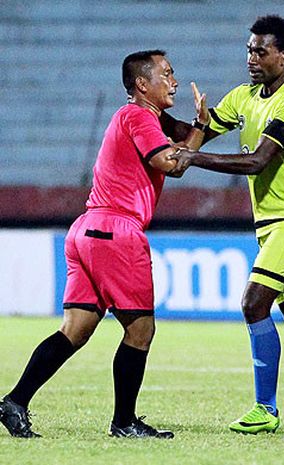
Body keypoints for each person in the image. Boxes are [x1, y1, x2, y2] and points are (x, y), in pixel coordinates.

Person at [0, 49, 207, 439]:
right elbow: (172, 165)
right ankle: (124, 422)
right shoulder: (138, 116)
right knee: (141, 329)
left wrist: (198, 127)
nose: (174, 80)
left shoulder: (137, 117)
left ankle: (15, 401)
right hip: (116, 231)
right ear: (142, 85)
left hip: (87, 228)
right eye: (167, 73)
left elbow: (177, 154)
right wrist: (199, 126)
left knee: (75, 329)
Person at [166, 15, 284, 440]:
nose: (251, 58)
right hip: (272, 223)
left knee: (254, 303)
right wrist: (154, 114)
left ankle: (265, 409)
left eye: (260, 51)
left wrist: (194, 159)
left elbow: (257, 161)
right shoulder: (245, 97)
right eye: (249, 49)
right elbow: (195, 134)